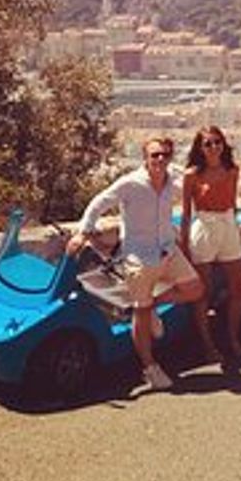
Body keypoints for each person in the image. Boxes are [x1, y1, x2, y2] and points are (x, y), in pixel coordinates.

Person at [67, 137, 206, 391]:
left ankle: (155, 304)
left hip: (167, 250)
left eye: (164, 155)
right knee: (141, 313)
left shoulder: (171, 180)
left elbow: (191, 177)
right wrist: (82, 232)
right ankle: (150, 367)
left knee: (194, 288)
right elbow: (99, 203)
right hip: (138, 257)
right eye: (154, 155)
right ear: (145, 157)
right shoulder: (130, 183)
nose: (160, 160)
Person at [180, 124, 241, 358]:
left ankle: (233, 337)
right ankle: (208, 345)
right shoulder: (191, 175)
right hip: (204, 229)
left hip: (228, 225)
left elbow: (235, 204)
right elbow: (187, 213)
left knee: (239, 287)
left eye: (217, 142)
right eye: (208, 143)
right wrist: (184, 244)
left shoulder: (232, 170)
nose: (214, 147)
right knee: (203, 292)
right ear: (200, 147)